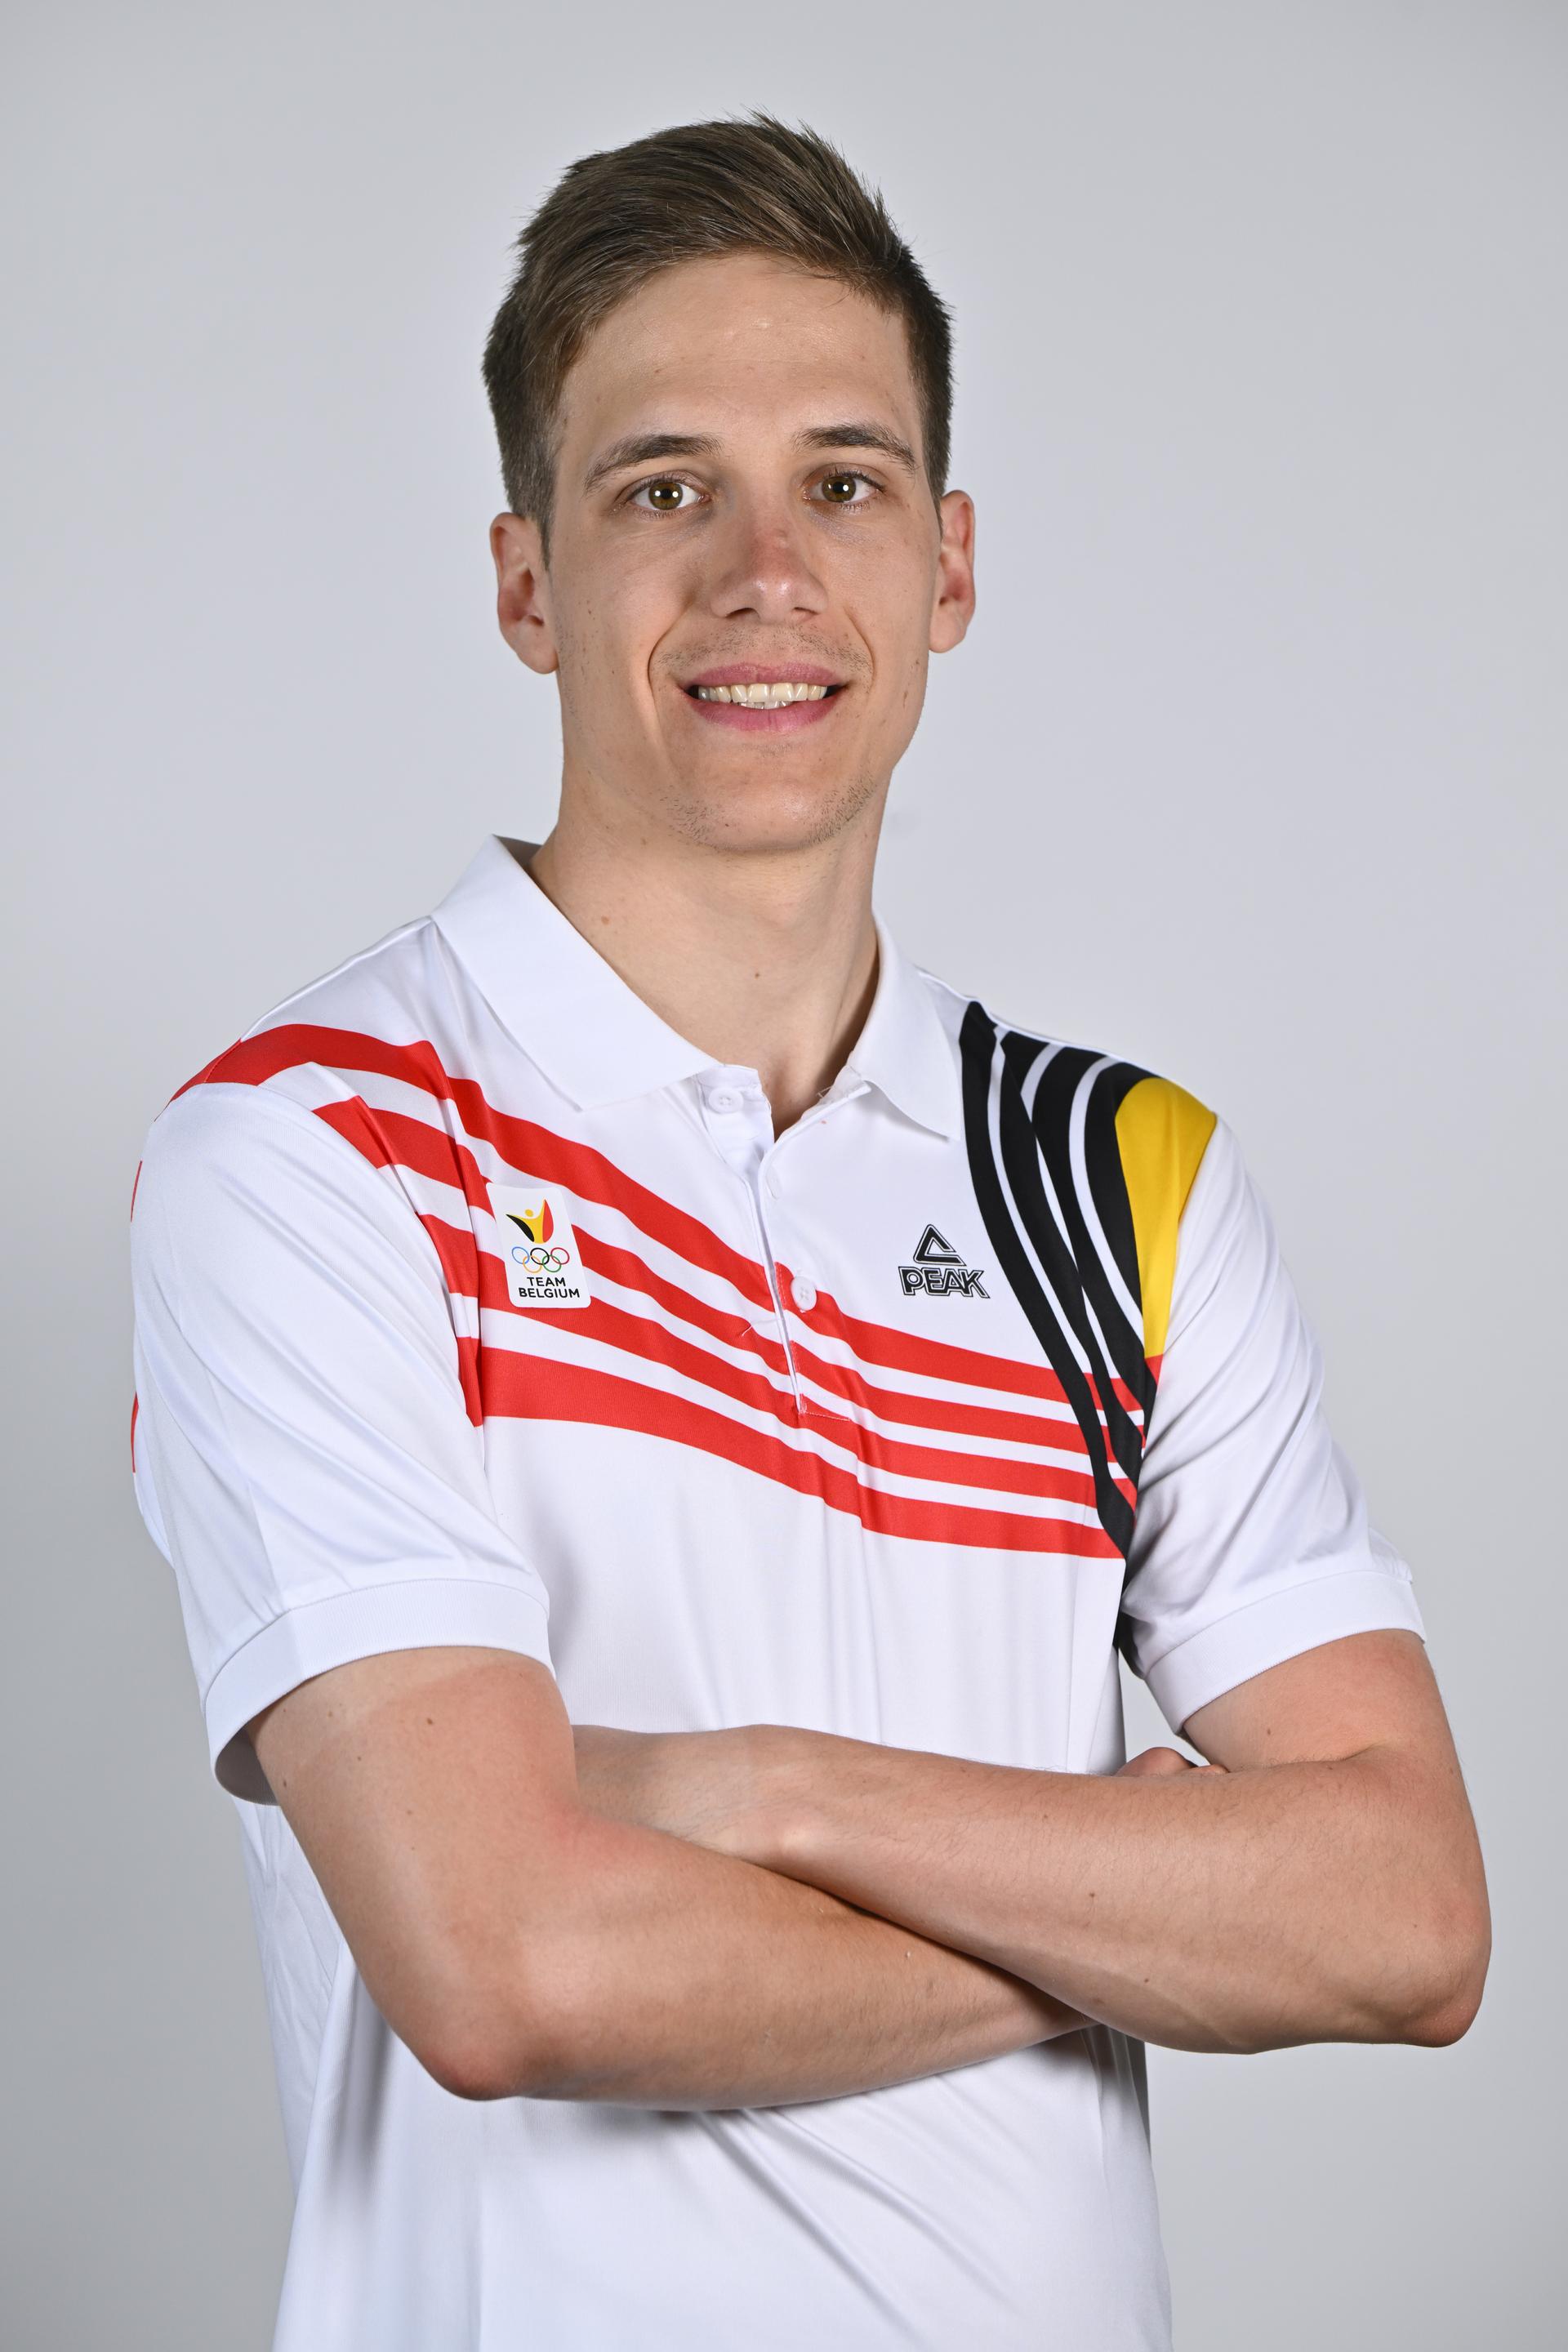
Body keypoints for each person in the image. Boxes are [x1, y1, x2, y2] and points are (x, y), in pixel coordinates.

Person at [127, 114, 1489, 2352]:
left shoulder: (1115, 1175)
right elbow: (510, 1966)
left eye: (844, 481)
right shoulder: (316, 1150)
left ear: (949, 566)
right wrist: (1137, 1901)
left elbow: (1409, 1918)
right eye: (663, 486)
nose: (768, 568)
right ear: (524, 579)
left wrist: (751, 1792)